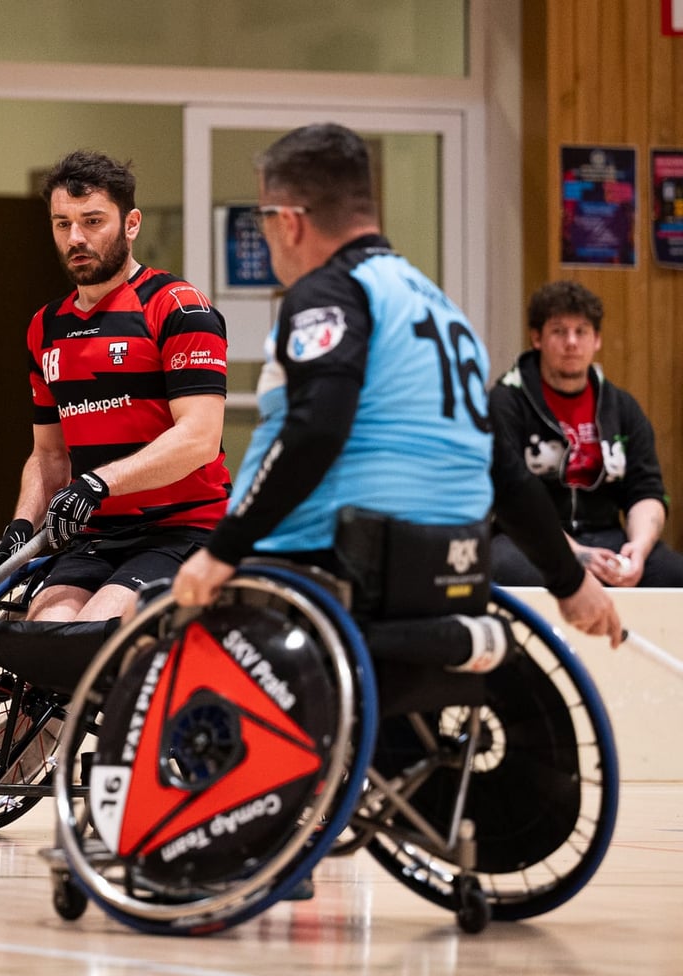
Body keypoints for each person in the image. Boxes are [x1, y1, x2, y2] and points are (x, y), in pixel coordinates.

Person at [171, 122, 621, 647]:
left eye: (263, 218)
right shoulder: (439, 306)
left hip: (334, 562)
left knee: (153, 619)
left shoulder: (330, 291)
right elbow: (503, 468)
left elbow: (316, 428)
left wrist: (223, 550)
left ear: (289, 222)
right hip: (447, 563)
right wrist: (568, 581)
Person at [0, 149, 231, 624]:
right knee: (43, 635)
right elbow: (49, 455)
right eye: (63, 224)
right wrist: (21, 526)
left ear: (131, 224)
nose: (76, 238)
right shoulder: (45, 327)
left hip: (182, 531)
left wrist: (98, 483)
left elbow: (199, 437)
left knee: (91, 632)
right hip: (96, 537)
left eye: (92, 221)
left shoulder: (177, 306)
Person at [489, 280, 683, 588]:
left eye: (581, 331)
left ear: (597, 340)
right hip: (526, 538)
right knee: (510, 570)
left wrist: (638, 549)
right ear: (537, 338)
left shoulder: (622, 406)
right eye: (559, 331)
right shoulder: (505, 402)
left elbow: (646, 490)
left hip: (606, 534)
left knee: (674, 574)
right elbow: (508, 495)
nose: (571, 342)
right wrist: (574, 555)